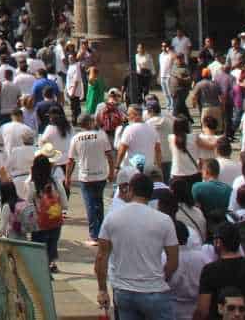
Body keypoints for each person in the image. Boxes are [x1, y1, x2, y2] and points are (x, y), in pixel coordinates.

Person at [96, 172, 179, 320]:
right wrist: (160, 277)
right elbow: (173, 261)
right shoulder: (164, 221)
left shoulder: (112, 218)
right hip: (155, 291)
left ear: (131, 190)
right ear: (150, 193)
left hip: (123, 292)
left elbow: (101, 257)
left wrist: (102, 289)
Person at [70, 113, 115, 245]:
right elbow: (110, 156)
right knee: (99, 203)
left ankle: (94, 235)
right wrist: (111, 172)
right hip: (101, 175)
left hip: (85, 176)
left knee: (90, 205)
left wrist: (67, 177)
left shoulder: (76, 138)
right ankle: (102, 233)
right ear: (90, 122)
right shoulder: (101, 135)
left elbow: (70, 160)